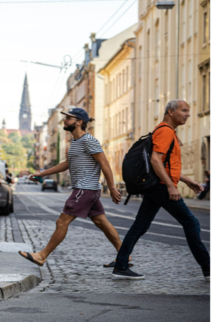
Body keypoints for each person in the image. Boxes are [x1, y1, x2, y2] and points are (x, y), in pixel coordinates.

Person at [113, 100, 212, 281]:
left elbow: (166, 165)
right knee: (191, 223)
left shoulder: (166, 131)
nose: (188, 114)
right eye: (184, 110)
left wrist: (187, 181)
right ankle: (208, 268)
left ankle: (120, 265)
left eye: (188, 111)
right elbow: (156, 161)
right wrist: (171, 186)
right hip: (160, 187)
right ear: (171, 112)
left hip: (156, 186)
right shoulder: (165, 132)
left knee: (140, 226)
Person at [19, 108, 125, 267]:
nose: (65, 121)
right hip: (88, 189)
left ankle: (42, 256)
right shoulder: (75, 142)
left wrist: (111, 187)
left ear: (79, 122)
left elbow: (104, 163)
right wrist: (42, 173)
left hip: (84, 189)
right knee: (101, 222)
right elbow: (67, 164)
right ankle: (125, 256)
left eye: (69, 118)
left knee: (62, 222)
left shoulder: (89, 140)